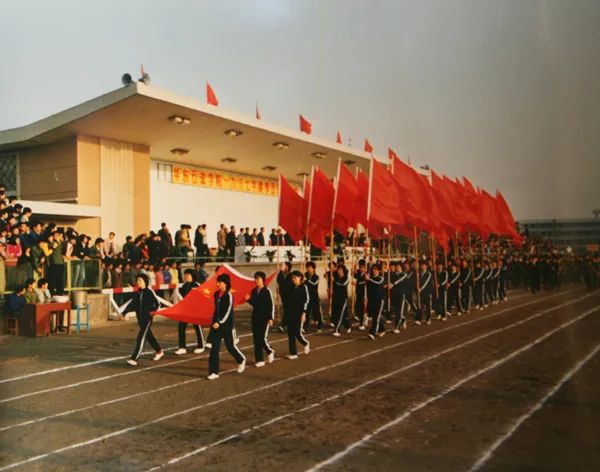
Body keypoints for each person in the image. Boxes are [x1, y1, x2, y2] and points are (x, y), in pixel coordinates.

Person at [207, 273, 246, 380]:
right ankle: (214, 372)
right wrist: (214, 322)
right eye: (218, 282)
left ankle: (241, 359)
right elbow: (216, 310)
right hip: (216, 326)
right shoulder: (216, 294)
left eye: (220, 282)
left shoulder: (229, 295)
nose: (218, 284)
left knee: (230, 347)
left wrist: (219, 322)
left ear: (225, 283)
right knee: (214, 349)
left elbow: (228, 312)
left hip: (227, 326)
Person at [126, 274, 164, 366]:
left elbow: (158, 303)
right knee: (149, 336)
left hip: (147, 319)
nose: (138, 282)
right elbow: (132, 304)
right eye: (137, 280)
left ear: (145, 282)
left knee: (141, 337)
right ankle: (159, 351)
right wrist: (124, 313)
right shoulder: (138, 293)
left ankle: (134, 358)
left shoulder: (149, 292)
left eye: (140, 280)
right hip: (140, 319)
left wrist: (153, 311)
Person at [246, 271, 275, 367]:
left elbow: (270, 305)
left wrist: (270, 318)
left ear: (263, 280)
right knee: (256, 339)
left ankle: (267, 353)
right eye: (256, 279)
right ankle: (260, 359)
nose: (256, 280)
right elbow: (254, 303)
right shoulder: (254, 291)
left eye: (258, 279)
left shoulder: (267, 291)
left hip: (264, 318)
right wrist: (248, 299)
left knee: (261, 338)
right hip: (255, 317)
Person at [174, 269, 205, 355]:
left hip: (195, 310)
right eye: (185, 275)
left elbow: (200, 297)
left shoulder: (196, 285)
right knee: (181, 327)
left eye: (187, 275)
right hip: (185, 310)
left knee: (197, 327)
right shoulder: (184, 286)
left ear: (192, 276)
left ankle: (201, 346)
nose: (185, 276)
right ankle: (182, 347)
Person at [286, 270, 310, 359]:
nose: (293, 279)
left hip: (299, 313)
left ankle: (305, 343)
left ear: (300, 278)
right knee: (290, 333)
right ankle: (293, 353)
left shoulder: (303, 287)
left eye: (295, 278)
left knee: (297, 333)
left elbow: (306, 300)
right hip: (290, 313)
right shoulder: (291, 287)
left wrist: (304, 313)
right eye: (292, 278)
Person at [331, 263, 351, 336]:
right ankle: (348, 325)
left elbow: (342, 284)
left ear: (343, 270)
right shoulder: (335, 277)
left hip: (343, 299)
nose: (338, 271)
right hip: (335, 298)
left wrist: (334, 281)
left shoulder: (346, 279)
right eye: (338, 269)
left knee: (340, 314)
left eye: (340, 269)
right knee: (341, 314)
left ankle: (337, 330)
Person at [366, 263, 385, 339]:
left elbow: (377, 283)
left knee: (376, 316)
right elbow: (367, 289)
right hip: (372, 300)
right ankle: (382, 329)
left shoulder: (380, 278)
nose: (374, 271)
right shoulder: (370, 278)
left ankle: (372, 332)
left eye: (376, 269)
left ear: (379, 271)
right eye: (373, 269)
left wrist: (369, 279)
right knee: (375, 316)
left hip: (379, 300)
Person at [304, 261, 323, 332]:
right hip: (307, 297)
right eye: (307, 267)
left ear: (314, 269)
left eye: (310, 268)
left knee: (317, 312)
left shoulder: (316, 277)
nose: (308, 269)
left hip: (314, 297)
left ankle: (320, 326)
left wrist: (307, 280)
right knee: (306, 312)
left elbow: (314, 284)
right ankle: (305, 327)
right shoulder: (305, 275)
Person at [354, 259, 368, 330]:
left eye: (362, 267)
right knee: (359, 308)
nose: (360, 269)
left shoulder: (367, 274)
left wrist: (359, 282)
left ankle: (363, 322)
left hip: (365, 293)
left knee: (364, 308)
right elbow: (354, 276)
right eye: (360, 267)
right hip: (358, 293)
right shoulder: (358, 273)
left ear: (365, 267)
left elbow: (366, 282)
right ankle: (362, 320)